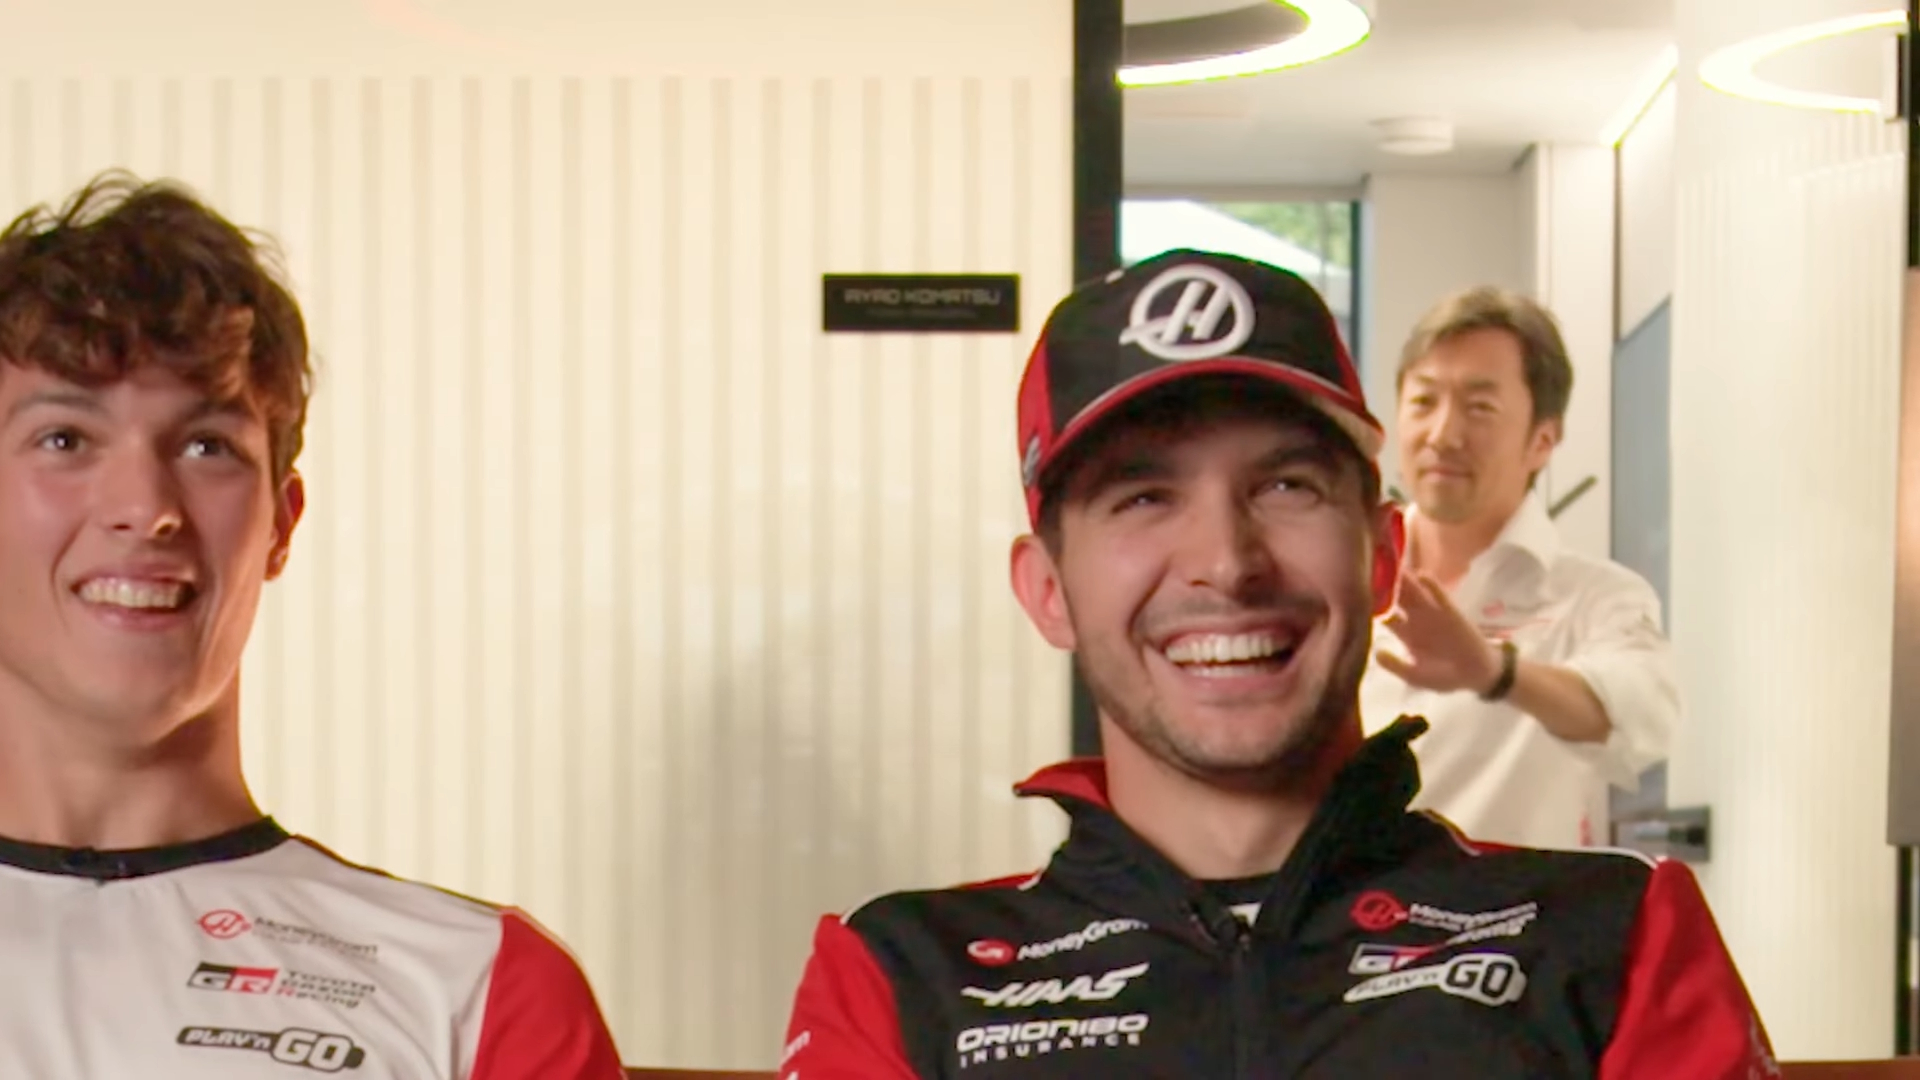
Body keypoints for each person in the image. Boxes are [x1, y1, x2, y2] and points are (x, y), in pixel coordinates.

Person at [779, 250, 1774, 1079]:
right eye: (1142, 497)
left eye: (1287, 486)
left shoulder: (1619, 935)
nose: (1227, 563)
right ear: (1047, 591)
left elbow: (1634, 708)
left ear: (1382, 557)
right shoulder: (898, 976)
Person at [0, 172, 626, 1078]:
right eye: (65, 439)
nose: (144, 507)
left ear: (281, 525)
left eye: (207, 446)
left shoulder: (475, 986)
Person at [1360, 287, 1678, 850]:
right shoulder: (1345, 580)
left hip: (1512, 906)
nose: (1442, 435)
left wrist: (1494, 672)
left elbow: (1642, 716)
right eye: (1424, 401)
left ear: (1542, 441)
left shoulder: (1595, 597)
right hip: (1346, 904)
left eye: (1479, 408)